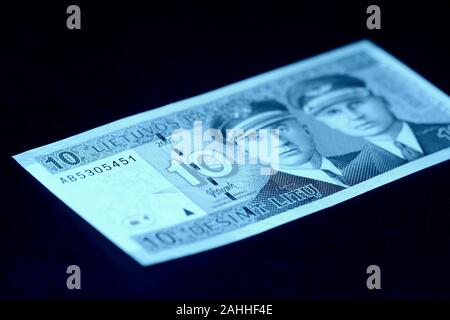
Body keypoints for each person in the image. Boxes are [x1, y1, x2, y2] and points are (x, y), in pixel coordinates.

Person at [286, 74, 450, 185]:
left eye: (355, 103)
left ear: (381, 99)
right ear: (328, 123)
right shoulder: (356, 175)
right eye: (333, 112)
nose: (354, 116)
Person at [212, 99, 359, 213]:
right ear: (246, 152)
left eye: (281, 128)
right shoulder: (268, 203)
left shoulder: (370, 157)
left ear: (305, 129)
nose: (279, 142)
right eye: (256, 138)